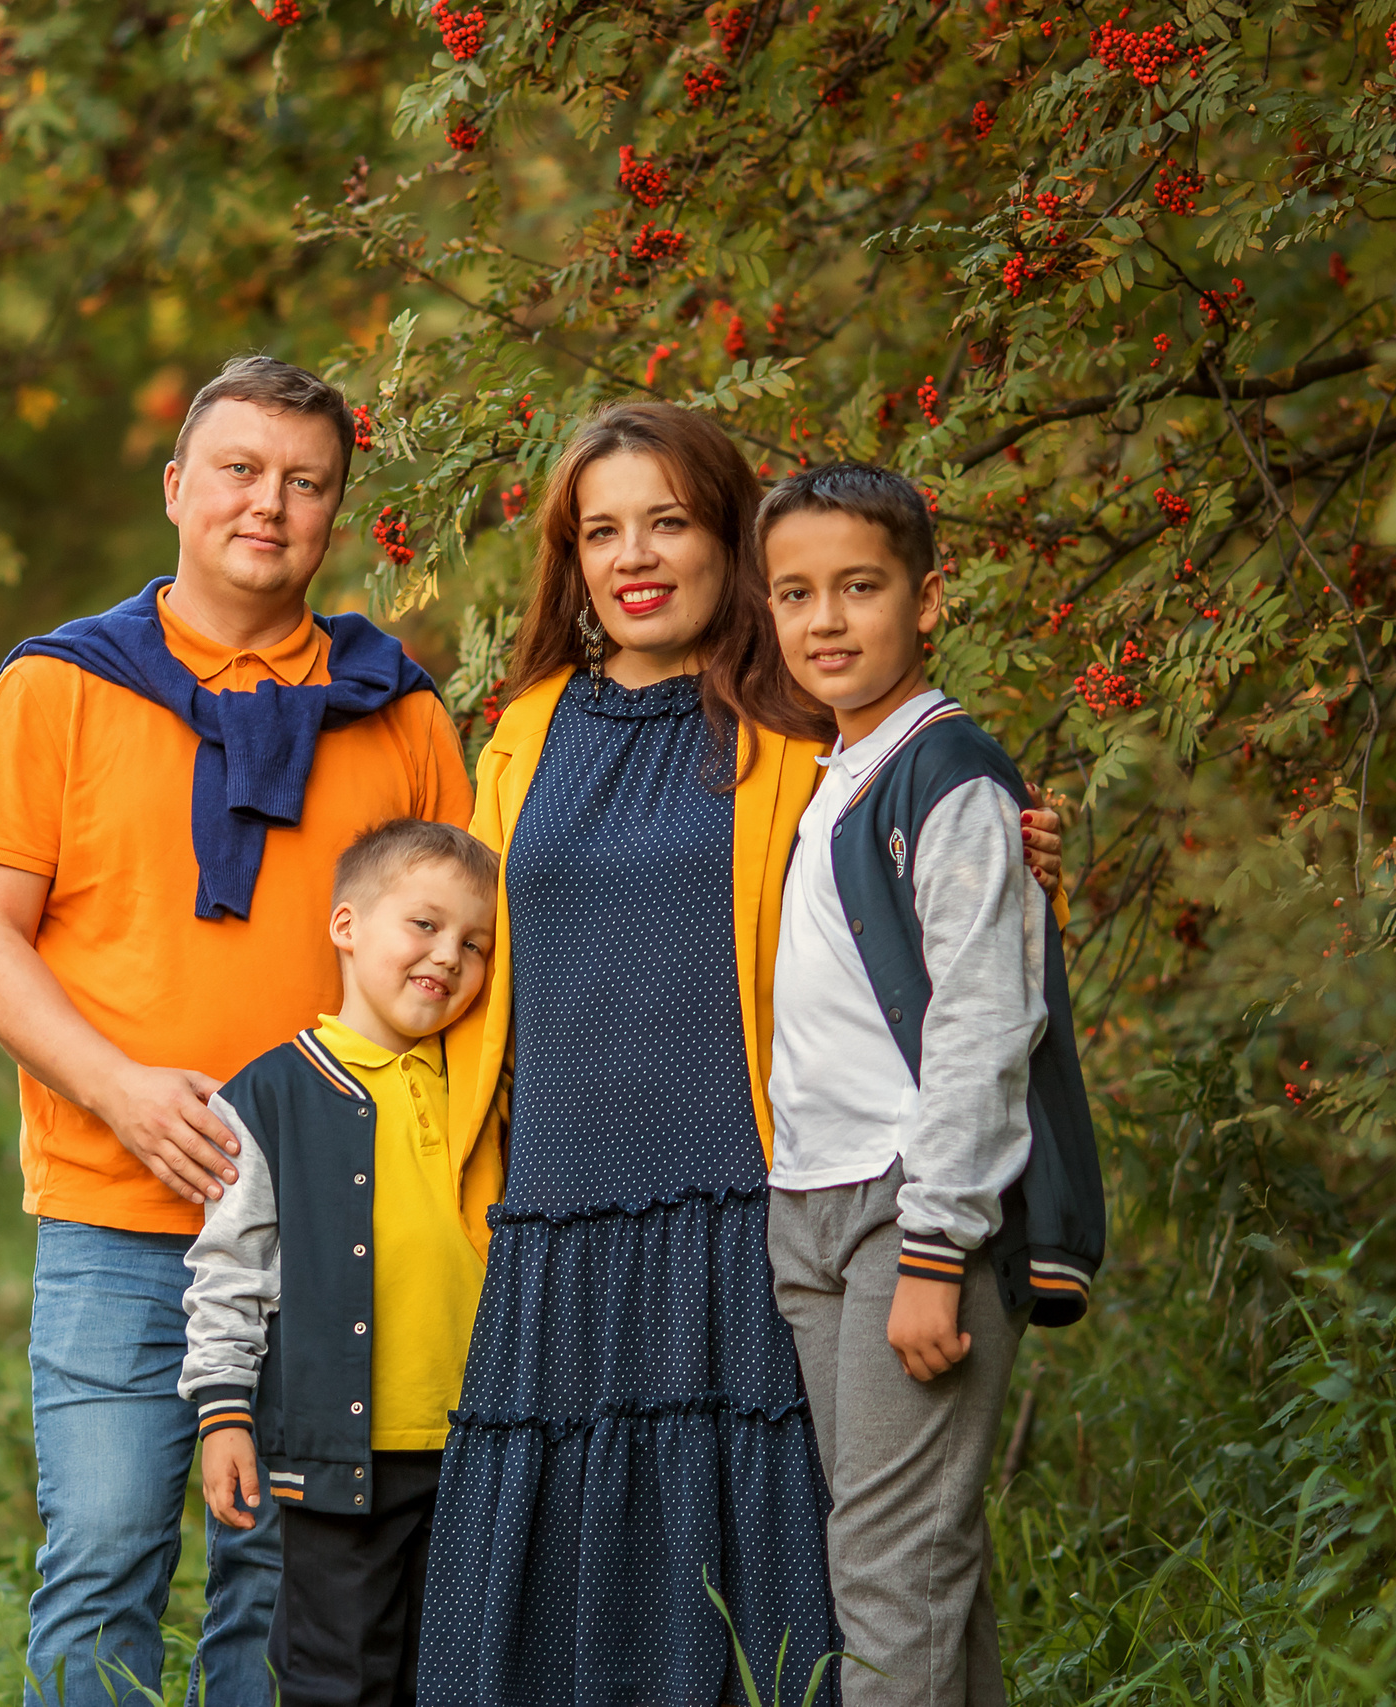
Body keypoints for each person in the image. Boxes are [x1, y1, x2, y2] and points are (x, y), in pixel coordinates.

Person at [413, 404, 1067, 1707]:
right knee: (554, 1570)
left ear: (731, 539)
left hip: (745, 1203)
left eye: (667, 520)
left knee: (843, 1569)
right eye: (602, 530)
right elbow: (457, 948)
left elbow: (916, 909)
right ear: (569, 557)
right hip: (557, 1209)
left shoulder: (804, 723)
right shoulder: (523, 732)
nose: (634, 555)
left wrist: (1027, 857)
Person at [0, 356, 472, 1707]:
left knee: (285, 1586)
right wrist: (120, 1090)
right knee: (103, 1557)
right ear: (178, 487)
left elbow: (464, 957)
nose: (268, 505)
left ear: (336, 512)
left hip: (338, 1220)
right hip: (116, 1205)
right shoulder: (59, 688)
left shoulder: (400, 709)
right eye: (240, 470)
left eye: (305, 482)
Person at [757, 462, 1105, 1707]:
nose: (826, 620)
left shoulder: (947, 772)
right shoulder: (826, 774)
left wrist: (935, 1245)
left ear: (928, 597)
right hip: (809, 1199)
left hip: (910, 1205)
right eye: (795, 593)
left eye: (860, 587)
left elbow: (981, 1022)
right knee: (913, 1562)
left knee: (889, 1570)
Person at [181, 819, 504, 1707]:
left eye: (476, 944)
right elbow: (230, 1272)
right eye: (425, 924)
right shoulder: (271, 1095)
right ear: (347, 926)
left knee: (451, 1680)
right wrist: (222, 1413)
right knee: (337, 1679)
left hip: (473, 1446)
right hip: (340, 1461)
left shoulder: (481, 1086)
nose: (450, 956)